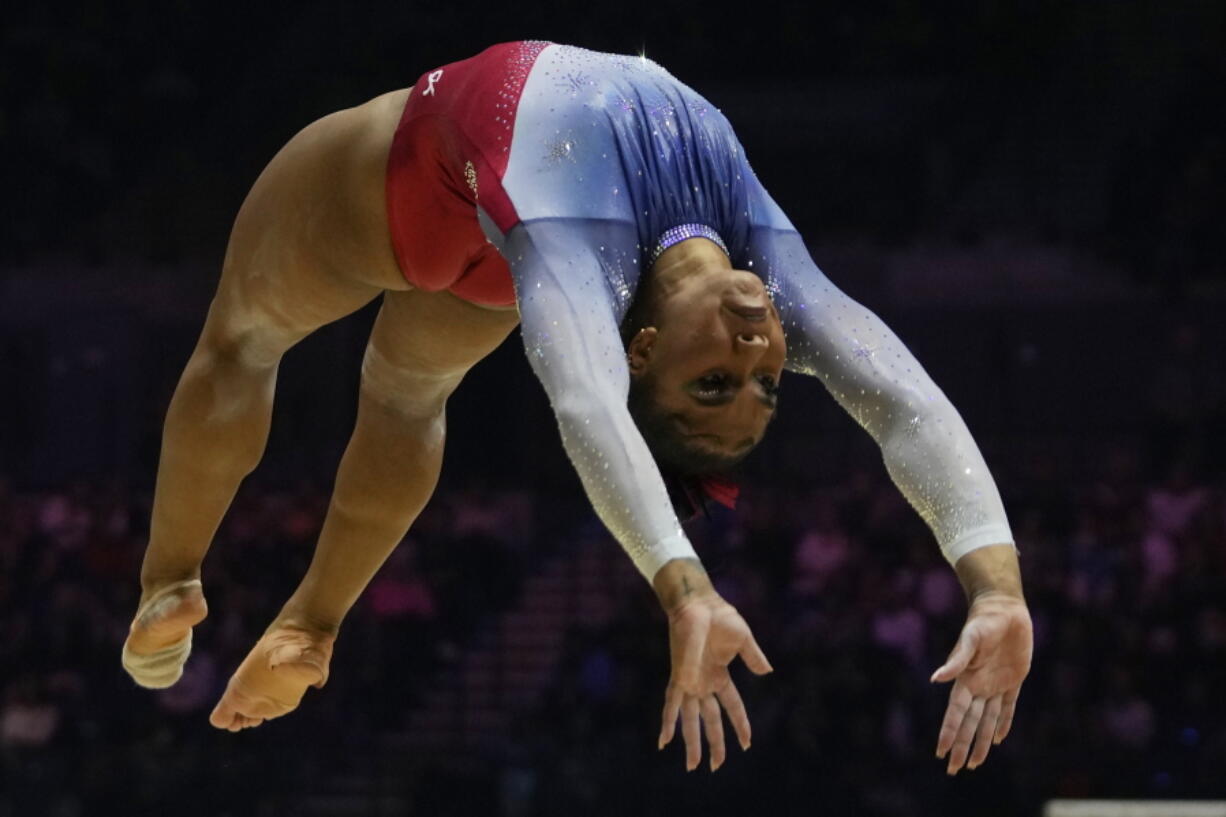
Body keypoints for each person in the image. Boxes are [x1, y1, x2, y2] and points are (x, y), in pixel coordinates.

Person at [120, 41, 1032, 775]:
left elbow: (590, 407)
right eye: (761, 386)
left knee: (243, 339)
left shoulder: (575, 254)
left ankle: (178, 581)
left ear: (643, 349)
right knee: (408, 394)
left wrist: (685, 590)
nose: (756, 361)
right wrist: (998, 587)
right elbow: (904, 396)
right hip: (491, 231)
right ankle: (305, 621)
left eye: (713, 381)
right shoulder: (767, 263)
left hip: (410, 191)